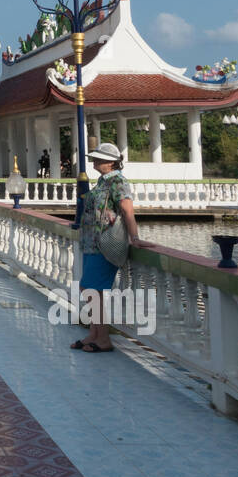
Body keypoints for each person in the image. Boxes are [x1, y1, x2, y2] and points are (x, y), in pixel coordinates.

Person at [72, 142, 140, 354]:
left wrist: (135, 237)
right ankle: (94, 334)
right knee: (94, 291)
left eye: (99, 158)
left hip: (105, 243)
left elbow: (127, 210)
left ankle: (103, 338)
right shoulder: (103, 182)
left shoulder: (118, 181)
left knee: (89, 289)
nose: (95, 161)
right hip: (92, 242)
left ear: (111, 162)